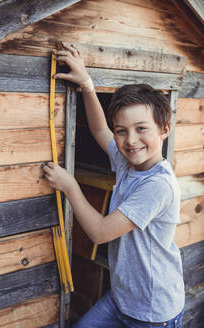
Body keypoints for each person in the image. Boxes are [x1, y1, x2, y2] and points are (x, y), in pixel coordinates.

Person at [43, 43, 185, 328]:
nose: (131, 140)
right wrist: (86, 83)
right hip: (122, 297)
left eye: (141, 128)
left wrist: (70, 185)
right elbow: (99, 129)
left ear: (165, 129)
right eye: (123, 131)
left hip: (151, 311)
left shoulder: (158, 186)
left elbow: (100, 233)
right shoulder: (125, 161)